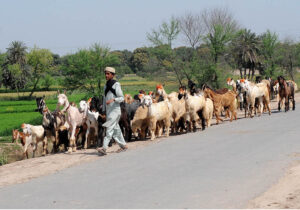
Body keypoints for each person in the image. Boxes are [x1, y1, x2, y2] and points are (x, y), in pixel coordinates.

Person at [97, 67, 128, 155]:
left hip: (115, 110)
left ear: (112, 75)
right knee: (116, 129)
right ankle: (123, 146)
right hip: (109, 111)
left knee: (109, 128)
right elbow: (104, 98)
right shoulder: (105, 85)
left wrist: (114, 100)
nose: (106, 75)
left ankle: (104, 148)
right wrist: (103, 110)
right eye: (105, 74)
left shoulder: (116, 84)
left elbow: (121, 98)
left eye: (108, 74)